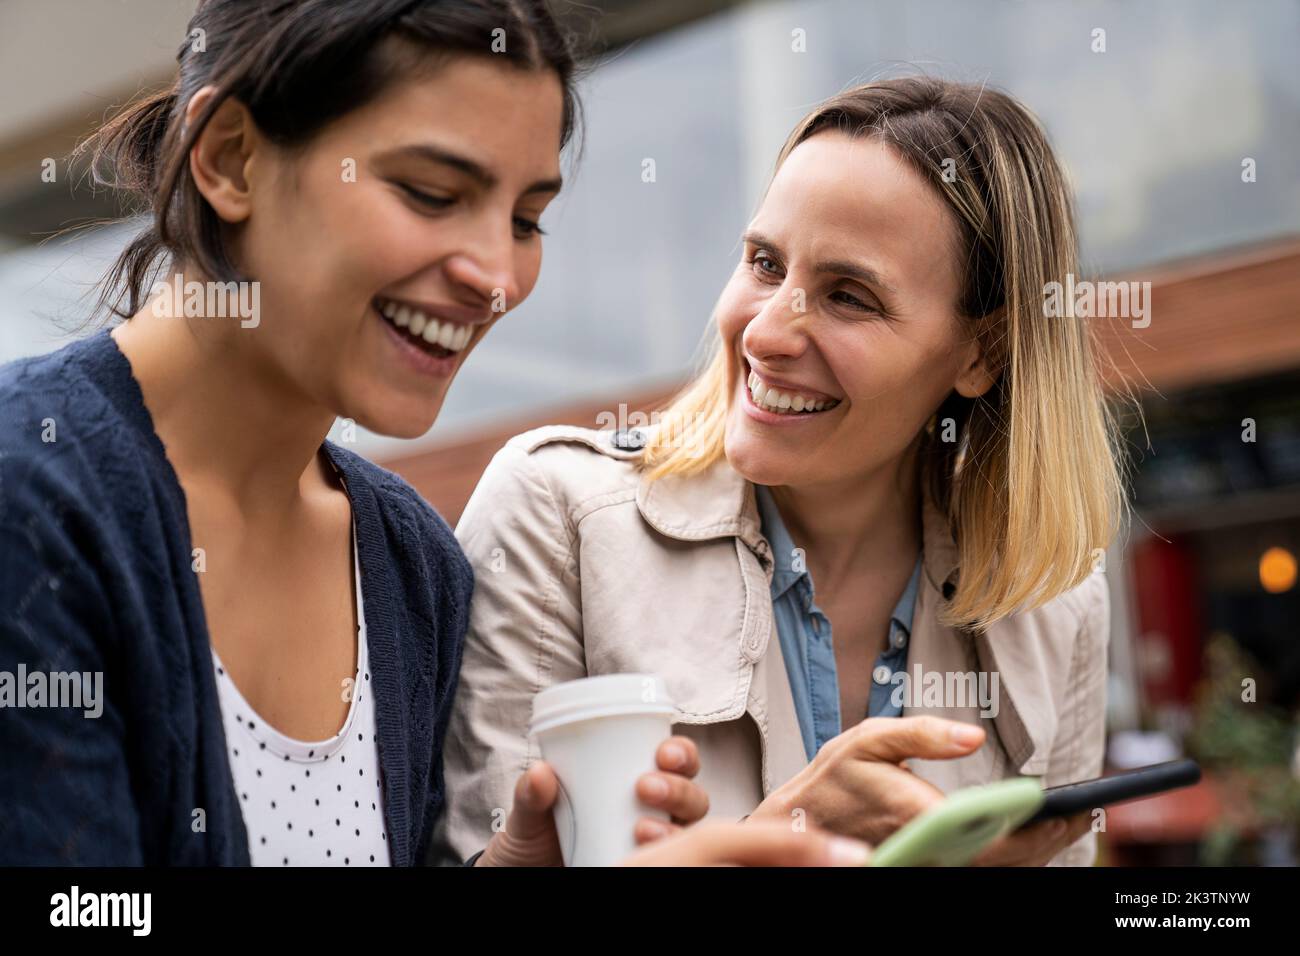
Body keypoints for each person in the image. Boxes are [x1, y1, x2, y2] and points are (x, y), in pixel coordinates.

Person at [0, 0, 720, 867]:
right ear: (231, 158)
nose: (497, 277)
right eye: (431, 193)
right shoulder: (30, 494)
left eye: (526, 220)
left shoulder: (411, 561)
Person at [435, 76, 1125, 867]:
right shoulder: (555, 515)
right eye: (764, 262)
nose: (765, 332)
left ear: (983, 352)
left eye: (848, 296)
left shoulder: (1058, 604)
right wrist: (790, 826)